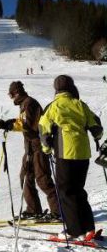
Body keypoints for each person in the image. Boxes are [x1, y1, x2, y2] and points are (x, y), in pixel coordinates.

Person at [39, 75, 103, 241]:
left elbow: (43, 128)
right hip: (83, 154)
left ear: (56, 89)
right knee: (78, 190)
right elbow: (97, 127)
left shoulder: (54, 106)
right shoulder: (80, 104)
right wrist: (96, 135)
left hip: (65, 153)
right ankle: (88, 228)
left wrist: (46, 148)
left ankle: (74, 231)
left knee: (66, 192)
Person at [0, 81, 60, 220]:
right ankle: (33, 210)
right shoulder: (25, 104)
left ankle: (59, 211)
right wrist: (8, 122)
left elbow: (28, 124)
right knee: (25, 178)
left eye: (11, 94)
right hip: (30, 149)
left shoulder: (30, 103)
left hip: (38, 148)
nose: (11, 97)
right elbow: (22, 120)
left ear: (17, 92)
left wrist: (9, 125)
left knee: (43, 180)